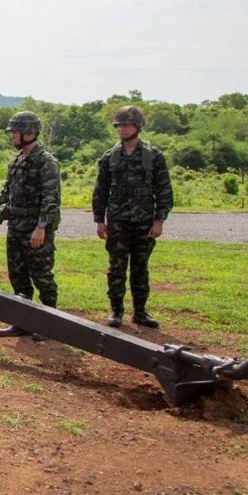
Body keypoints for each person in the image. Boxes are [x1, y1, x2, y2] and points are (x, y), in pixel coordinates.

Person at [92, 105, 173, 328]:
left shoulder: (153, 156)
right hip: (117, 220)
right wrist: (99, 220)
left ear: (138, 126)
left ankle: (140, 312)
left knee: (140, 268)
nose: (122, 129)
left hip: (143, 221)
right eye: (119, 126)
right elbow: (100, 190)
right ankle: (116, 311)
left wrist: (159, 220)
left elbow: (164, 190)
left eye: (127, 125)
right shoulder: (110, 156)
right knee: (116, 267)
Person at [0, 111, 60, 340]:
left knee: (42, 276)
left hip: (34, 227)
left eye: (15, 132)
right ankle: (22, 322)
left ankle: (49, 324)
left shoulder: (46, 162)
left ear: (29, 133)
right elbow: (6, 191)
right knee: (18, 276)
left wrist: (41, 227)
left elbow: (51, 199)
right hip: (16, 226)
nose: (12, 137)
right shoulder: (17, 160)